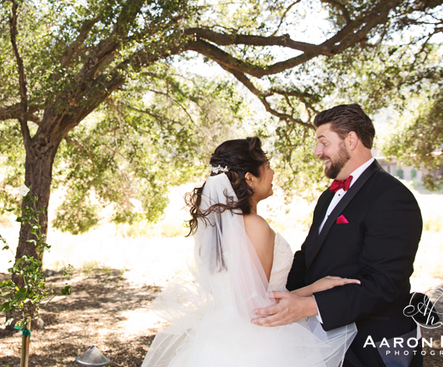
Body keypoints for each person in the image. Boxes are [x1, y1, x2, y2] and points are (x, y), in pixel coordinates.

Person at [142, 137, 357, 367]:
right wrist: (313, 290)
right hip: (259, 345)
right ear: (250, 178)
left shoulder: (220, 227)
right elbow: (259, 306)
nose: (273, 173)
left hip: (219, 337)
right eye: (267, 167)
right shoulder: (255, 225)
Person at [252, 104, 424, 367]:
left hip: (373, 345)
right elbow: (308, 256)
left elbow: (384, 284)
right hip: (325, 342)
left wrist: (309, 306)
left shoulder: (392, 198)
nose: (317, 152)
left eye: (324, 142)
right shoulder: (328, 196)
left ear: (351, 140)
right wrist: (276, 298)